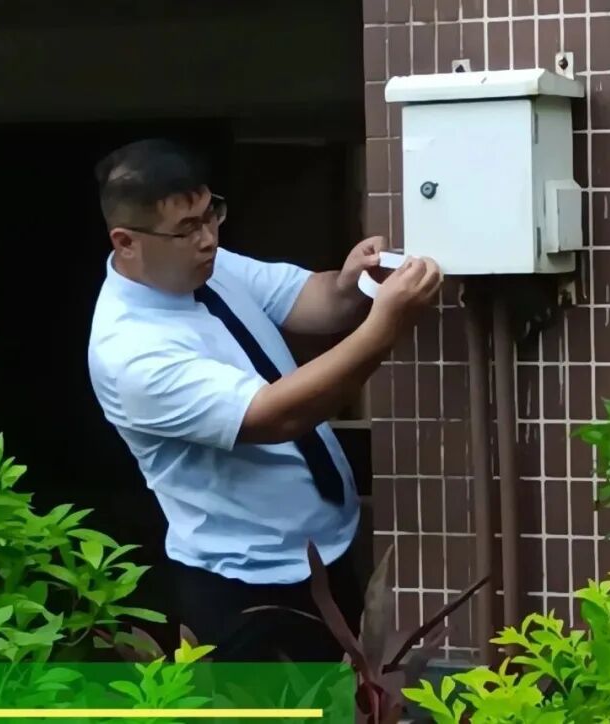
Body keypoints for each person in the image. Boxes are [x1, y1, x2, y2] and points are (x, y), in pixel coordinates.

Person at [86, 138, 443, 662]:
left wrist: (352, 285)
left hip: (325, 556)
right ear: (126, 242)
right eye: (187, 228)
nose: (208, 238)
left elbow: (312, 300)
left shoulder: (207, 266)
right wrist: (386, 323)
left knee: (351, 699)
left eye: (211, 215)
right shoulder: (131, 351)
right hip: (245, 586)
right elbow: (279, 415)